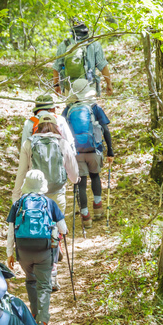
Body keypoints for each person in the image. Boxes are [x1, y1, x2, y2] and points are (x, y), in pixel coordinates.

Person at [6, 169, 68, 325]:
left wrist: (9, 254)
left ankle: (33, 317)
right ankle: (42, 321)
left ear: (26, 184)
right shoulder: (49, 203)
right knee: (44, 285)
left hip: (23, 251)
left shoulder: (18, 204)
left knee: (31, 280)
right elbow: (64, 228)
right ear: (42, 184)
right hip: (44, 249)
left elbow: (11, 231)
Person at [63, 80, 114, 228]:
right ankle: (98, 207)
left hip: (76, 152)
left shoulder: (68, 109)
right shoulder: (94, 108)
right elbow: (105, 129)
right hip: (94, 149)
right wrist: (110, 150)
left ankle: (85, 216)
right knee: (95, 176)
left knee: (81, 183)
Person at [13, 113, 80, 215]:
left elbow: (21, 172)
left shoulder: (28, 144)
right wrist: (75, 180)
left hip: (34, 197)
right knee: (58, 226)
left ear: (37, 128)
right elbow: (74, 175)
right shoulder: (62, 143)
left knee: (37, 226)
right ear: (56, 127)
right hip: (57, 194)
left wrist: (16, 196)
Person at [52, 20, 113, 97]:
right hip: (89, 86)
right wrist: (109, 84)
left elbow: (56, 68)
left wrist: (56, 85)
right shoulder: (94, 44)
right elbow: (103, 66)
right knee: (89, 108)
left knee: (71, 108)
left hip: (70, 87)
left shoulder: (64, 45)